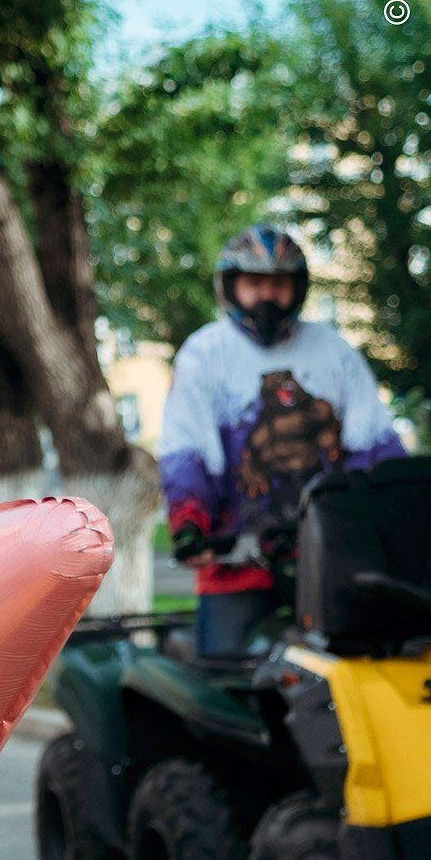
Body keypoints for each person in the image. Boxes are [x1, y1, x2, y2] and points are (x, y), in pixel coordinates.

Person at [161, 223, 407, 655]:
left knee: (357, 672)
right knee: (226, 687)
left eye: (278, 283)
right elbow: (188, 449)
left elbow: (374, 445)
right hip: (236, 562)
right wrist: (188, 524)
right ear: (230, 286)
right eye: (254, 283)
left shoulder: (333, 351)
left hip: (329, 559)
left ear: (298, 288)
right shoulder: (204, 353)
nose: (267, 296)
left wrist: (395, 506)